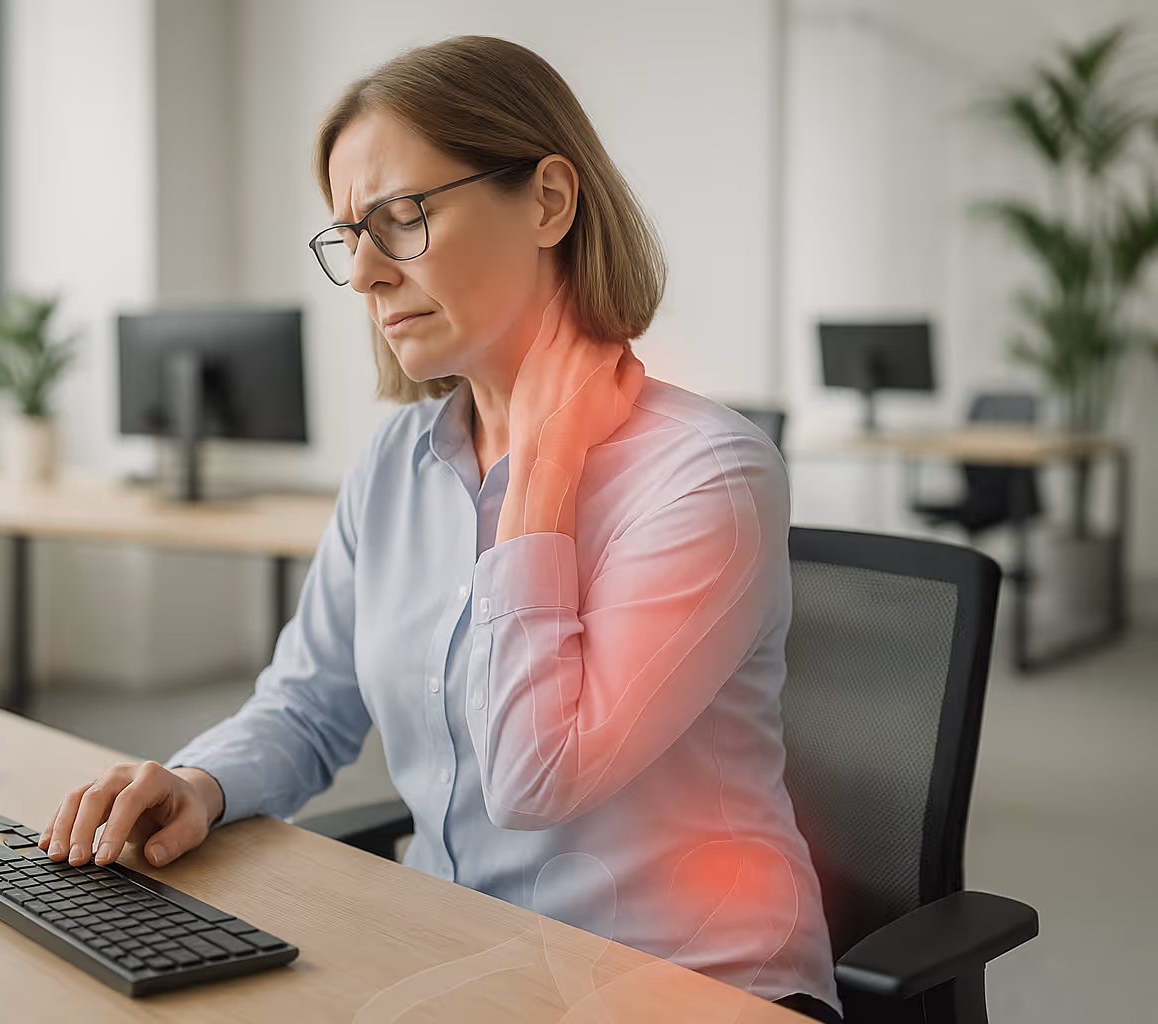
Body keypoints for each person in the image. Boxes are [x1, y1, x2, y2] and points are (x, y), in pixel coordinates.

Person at [41, 35, 840, 1022]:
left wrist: (539, 485)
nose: (366, 273)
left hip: (688, 985)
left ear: (549, 200)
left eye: (403, 217)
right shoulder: (396, 462)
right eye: (347, 234)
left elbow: (535, 779)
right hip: (460, 956)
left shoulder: (707, 476)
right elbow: (307, 703)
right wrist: (202, 781)